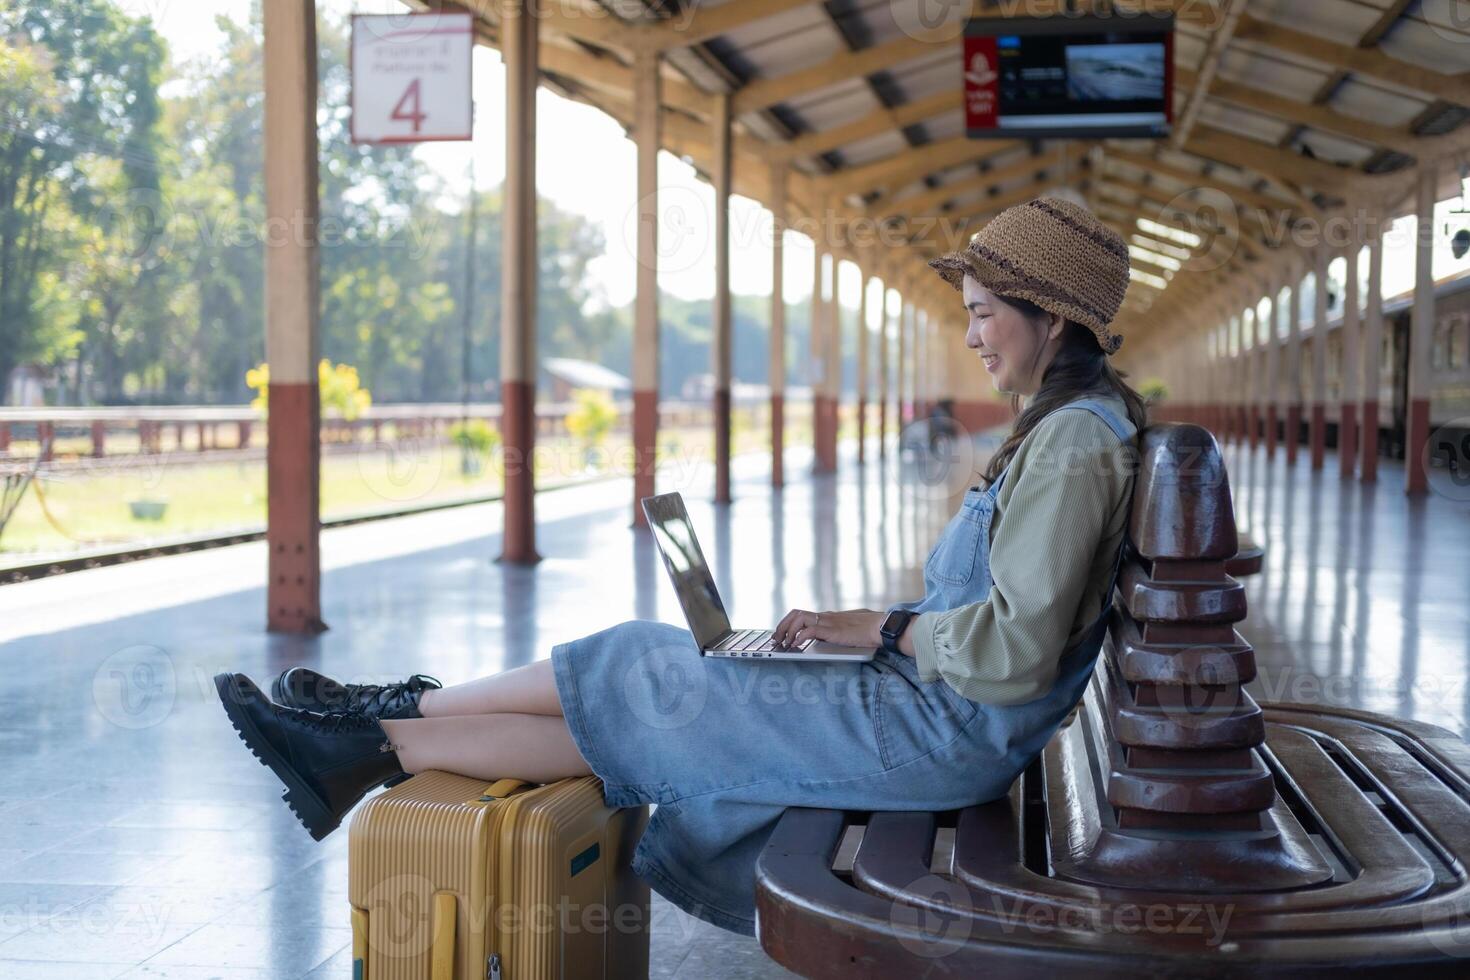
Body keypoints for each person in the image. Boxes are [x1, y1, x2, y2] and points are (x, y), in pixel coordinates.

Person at [213, 196, 1147, 938]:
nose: (976, 336)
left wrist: (887, 630)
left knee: (638, 667)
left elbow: (1014, 653)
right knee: (652, 692)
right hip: (932, 710)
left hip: (941, 734)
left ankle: (380, 719)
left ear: (1053, 320)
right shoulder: (1066, 432)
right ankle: (369, 737)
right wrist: (864, 631)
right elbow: (998, 617)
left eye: (985, 315)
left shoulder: (1070, 446)